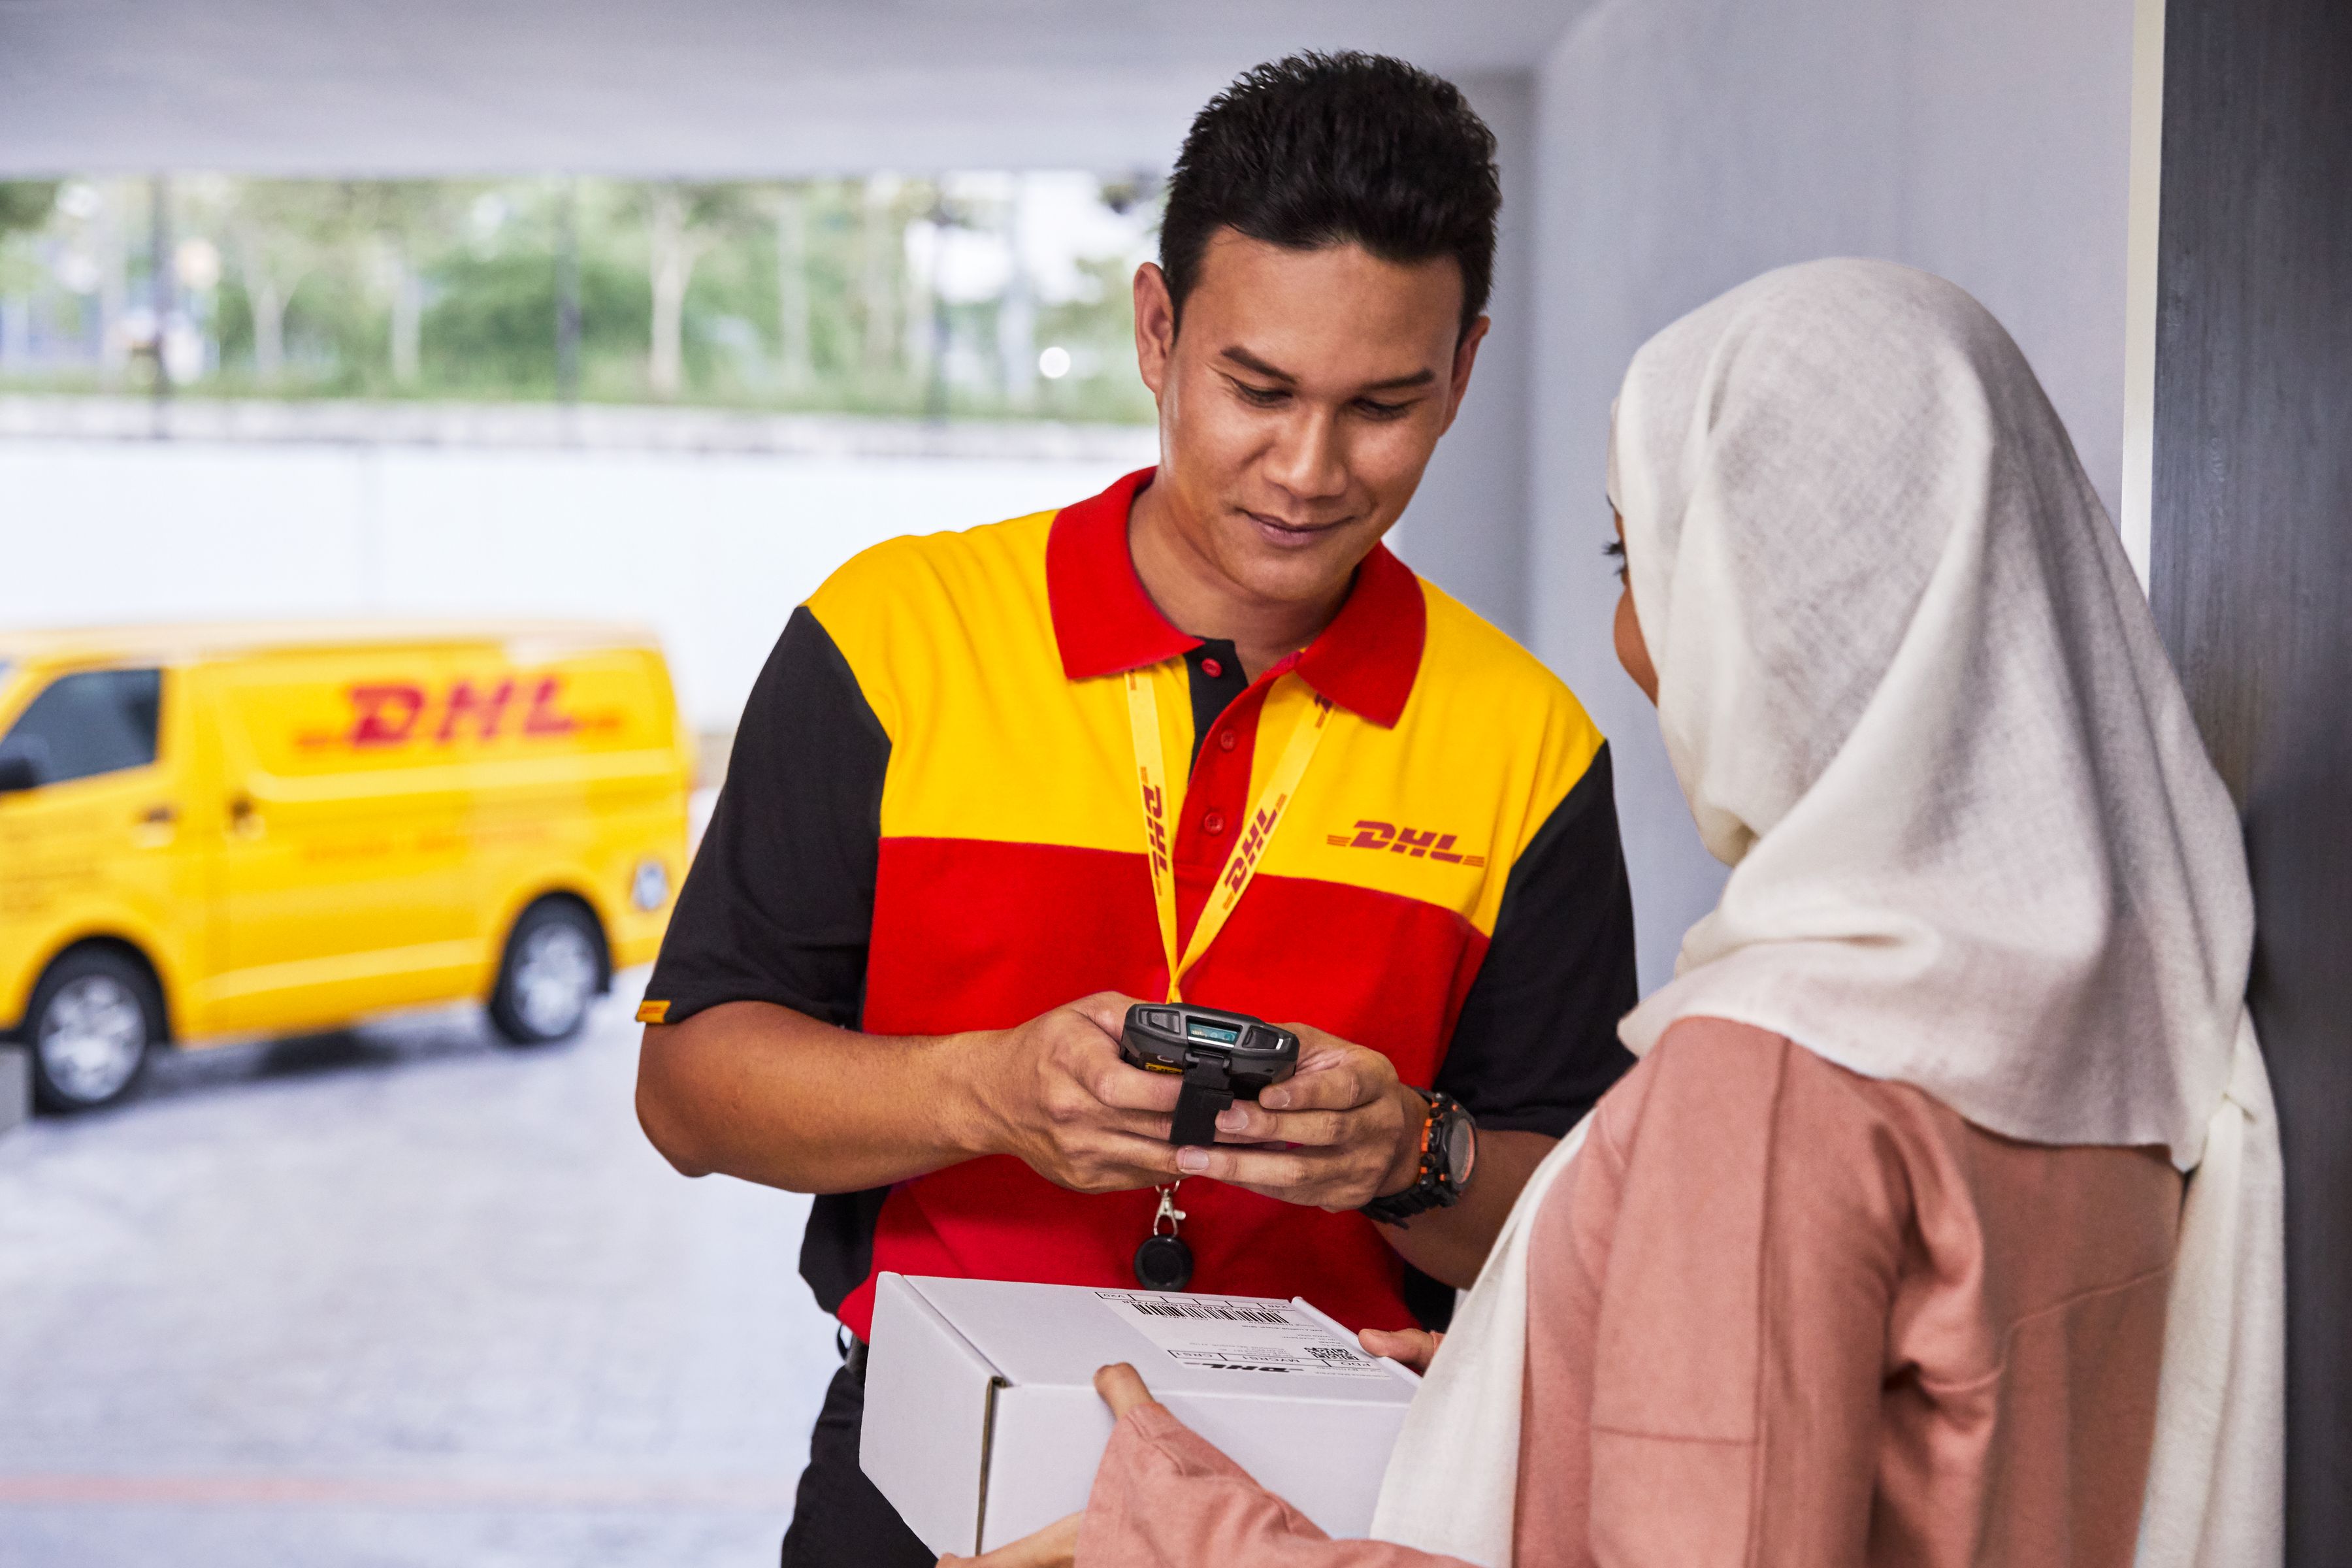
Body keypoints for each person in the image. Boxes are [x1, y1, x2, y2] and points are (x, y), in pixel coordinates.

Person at [965, 259, 2285, 1567]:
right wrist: (1537, 1390)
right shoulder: (2128, 1016)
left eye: (1636, 555)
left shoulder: (1776, 1086)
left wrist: (1184, 1533)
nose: (1632, 635)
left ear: (1766, 600)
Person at [631, 52, 1641, 1567]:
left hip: (1348, 1491)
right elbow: (690, 1096)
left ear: (1466, 372)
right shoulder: (898, 636)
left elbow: (1584, 1233)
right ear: (1157, 332)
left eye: (1384, 405)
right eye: (1257, 390)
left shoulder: (1529, 744)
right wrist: (979, 1093)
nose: (1309, 470)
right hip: (933, 1467)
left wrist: (1405, 1158)